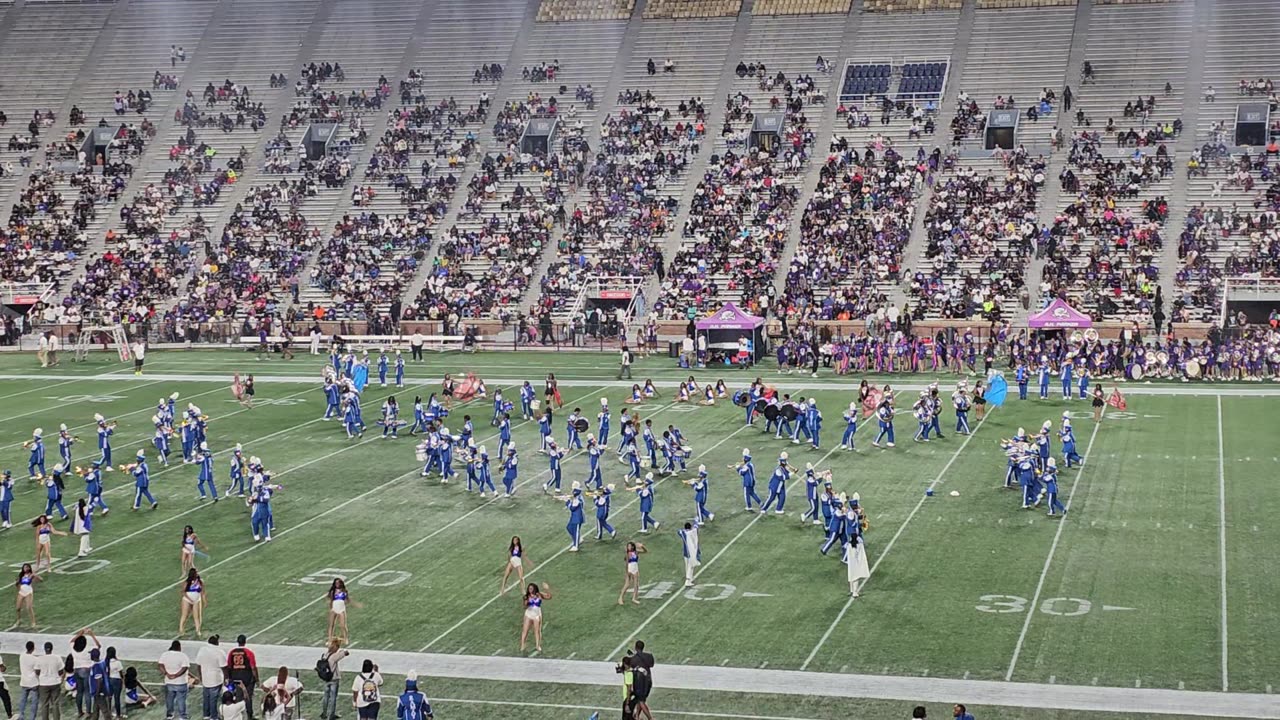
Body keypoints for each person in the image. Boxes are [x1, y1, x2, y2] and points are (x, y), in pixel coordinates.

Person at [224, 637, 259, 720]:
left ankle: (237, 714)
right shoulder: (248, 652)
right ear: (245, 642)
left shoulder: (232, 652)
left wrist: (228, 678)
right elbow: (253, 667)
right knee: (248, 697)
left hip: (235, 678)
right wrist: (256, 679)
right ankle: (249, 715)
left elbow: (228, 666)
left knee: (238, 696)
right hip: (247, 678)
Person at [70, 628, 101, 716]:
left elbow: (72, 641)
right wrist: (92, 635)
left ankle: (80, 711)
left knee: (79, 692)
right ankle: (88, 711)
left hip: (76, 670)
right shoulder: (88, 649)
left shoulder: (73, 648)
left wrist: (80, 633)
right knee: (87, 691)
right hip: (86, 670)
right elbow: (98, 646)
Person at [158, 640, 191, 720]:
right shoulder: (183, 656)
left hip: (169, 682)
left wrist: (167, 674)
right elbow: (184, 668)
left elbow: (160, 665)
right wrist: (176, 675)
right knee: (181, 700)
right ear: (179, 647)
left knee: (169, 700)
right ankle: (182, 716)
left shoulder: (165, 655)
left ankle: (170, 715)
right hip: (181, 682)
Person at [196, 636, 227, 720]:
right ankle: (214, 716)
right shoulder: (219, 651)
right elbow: (224, 667)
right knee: (213, 699)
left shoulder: (202, 650)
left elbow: (198, 665)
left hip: (205, 678)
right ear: (217, 642)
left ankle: (206, 715)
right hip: (216, 679)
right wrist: (226, 679)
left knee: (206, 697)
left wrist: (200, 676)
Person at [317, 640, 349, 720]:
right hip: (334, 679)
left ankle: (324, 713)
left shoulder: (325, 655)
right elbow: (345, 653)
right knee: (333, 698)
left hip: (326, 679)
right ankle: (331, 715)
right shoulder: (334, 656)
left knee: (326, 697)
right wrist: (343, 651)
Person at [519, 582, 552, 652]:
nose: (530, 589)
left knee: (537, 631)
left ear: (534, 588)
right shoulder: (526, 597)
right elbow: (524, 607)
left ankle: (538, 645)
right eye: (529, 588)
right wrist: (527, 602)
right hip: (529, 614)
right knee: (525, 630)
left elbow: (549, 597)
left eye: (531, 588)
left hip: (537, 615)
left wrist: (547, 589)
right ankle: (522, 645)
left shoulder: (539, 594)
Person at [35, 641, 63, 720]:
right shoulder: (57, 658)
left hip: (43, 683)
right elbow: (61, 671)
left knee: (44, 704)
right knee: (55, 703)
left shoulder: (40, 658)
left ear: (44, 649)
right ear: (52, 649)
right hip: (55, 682)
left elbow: (37, 671)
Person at [617, 541, 648, 605]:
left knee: (636, 584)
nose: (628, 547)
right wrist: (627, 571)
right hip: (630, 568)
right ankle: (620, 598)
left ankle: (634, 598)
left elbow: (645, 551)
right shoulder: (628, 553)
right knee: (627, 584)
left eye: (629, 546)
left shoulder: (636, 552)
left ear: (633, 547)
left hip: (635, 568)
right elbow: (626, 562)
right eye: (628, 546)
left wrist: (642, 546)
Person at [179, 569, 207, 636]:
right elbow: (183, 591)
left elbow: (203, 592)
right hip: (187, 600)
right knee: (185, 615)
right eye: (196, 572)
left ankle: (198, 630)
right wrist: (189, 599)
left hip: (197, 600)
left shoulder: (200, 581)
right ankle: (181, 629)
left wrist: (204, 601)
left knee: (197, 616)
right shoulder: (187, 582)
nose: (198, 573)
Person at [14, 564, 40, 629]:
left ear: (29, 568)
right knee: (18, 608)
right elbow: (17, 584)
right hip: (21, 592)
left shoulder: (31, 575)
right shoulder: (21, 575)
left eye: (27, 567)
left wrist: (36, 576)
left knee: (29, 607)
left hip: (29, 592)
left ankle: (33, 622)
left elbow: (41, 580)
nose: (25, 568)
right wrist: (17, 585)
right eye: (24, 567)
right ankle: (19, 620)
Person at [18, 640, 38, 720]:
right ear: (33, 648)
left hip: (24, 681)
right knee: (34, 702)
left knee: (23, 700)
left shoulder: (21, 656)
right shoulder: (35, 659)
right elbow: (37, 670)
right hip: (33, 682)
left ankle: (21, 715)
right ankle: (32, 718)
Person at [327, 579, 351, 643]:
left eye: (338, 583)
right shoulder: (333, 591)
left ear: (341, 583)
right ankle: (329, 639)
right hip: (334, 608)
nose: (337, 584)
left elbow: (347, 600)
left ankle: (346, 638)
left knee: (343, 625)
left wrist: (344, 603)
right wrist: (331, 608)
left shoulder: (344, 591)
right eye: (336, 583)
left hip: (341, 609)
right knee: (331, 625)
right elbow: (331, 601)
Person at [678, 521, 701, 588]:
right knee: (691, 566)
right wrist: (695, 522)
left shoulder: (683, 533)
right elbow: (696, 526)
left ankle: (690, 578)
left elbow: (679, 531)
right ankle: (688, 580)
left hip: (685, 552)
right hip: (691, 552)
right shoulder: (692, 532)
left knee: (687, 566)